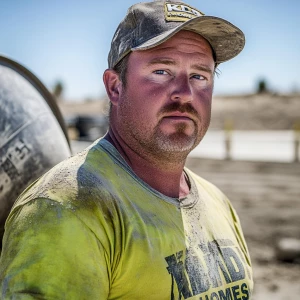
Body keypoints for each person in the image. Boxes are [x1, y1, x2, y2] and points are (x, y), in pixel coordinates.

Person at [0, 0, 253, 299]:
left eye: (200, 76)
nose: (185, 93)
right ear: (115, 87)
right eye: (162, 71)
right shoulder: (67, 209)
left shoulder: (218, 204)